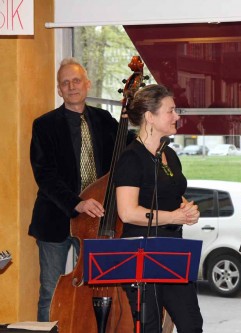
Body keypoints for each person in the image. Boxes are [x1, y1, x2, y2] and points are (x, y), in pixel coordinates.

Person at [29, 57, 120, 321]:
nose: (71, 86)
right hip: (55, 218)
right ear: (59, 90)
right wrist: (75, 203)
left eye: (76, 80)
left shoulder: (106, 120)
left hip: (95, 220)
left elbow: (128, 155)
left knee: (94, 290)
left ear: (87, 84)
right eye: (65, 83)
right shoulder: (43, 125)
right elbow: (44, 175)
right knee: (50, 290)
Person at [114, 84, 203, 333]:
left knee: (192, 325)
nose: (177, 116)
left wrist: (187, 209)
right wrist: (174, 216)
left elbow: (171, 193)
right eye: (171, 111)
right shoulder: (131, 158)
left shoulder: (170, 154)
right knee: (149, 326)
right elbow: (128, 212)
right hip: (141, 252)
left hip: (173, 250)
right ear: (150, 117)